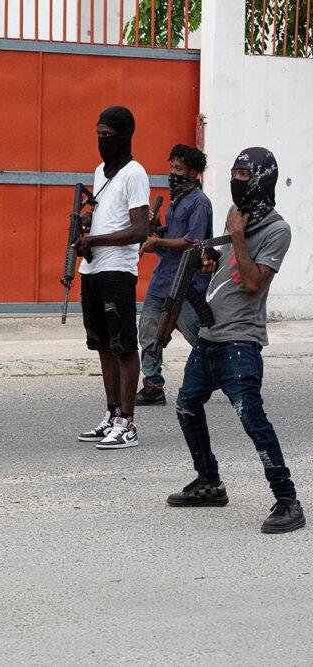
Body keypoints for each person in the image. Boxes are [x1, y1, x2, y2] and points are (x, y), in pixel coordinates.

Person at [167, 147, 304, 534]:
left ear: (262, 181)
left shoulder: (277, 230)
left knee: (252, 418)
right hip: (210, 336)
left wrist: (238, 237)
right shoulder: (236, 220)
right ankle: (209, 481)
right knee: (186, 406)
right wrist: (214, 261)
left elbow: (254, 281)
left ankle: (287, 500)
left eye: (243, 177)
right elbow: (229, 273)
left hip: (240, 341)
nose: (234, 183)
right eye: (233, 175)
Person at [73, 106, 150, 449]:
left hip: (118, 269)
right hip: (92, 268)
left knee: (123, 346)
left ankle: (128, 423)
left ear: (124, 135)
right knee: (102, 345)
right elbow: (106, 216)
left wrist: (97, 240)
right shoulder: (99, 172)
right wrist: (86, 228)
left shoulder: (135, 174)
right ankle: (111, 413)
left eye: (107, 135)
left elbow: (139, 229)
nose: (101, 141)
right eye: (98, 134)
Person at [137, 145, 213, 406]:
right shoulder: (178, 199)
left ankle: (222, 375)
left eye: (178, 169)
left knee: (199, 336)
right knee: (148, 331)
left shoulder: (200, 203)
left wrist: (158, 242)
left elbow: (193, 241)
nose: (173, 173)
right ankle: (153, 386)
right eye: (171, 168)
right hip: (163, 280)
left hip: (186, 285)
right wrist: (156, 229)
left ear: (193, 172)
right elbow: (174, 233)